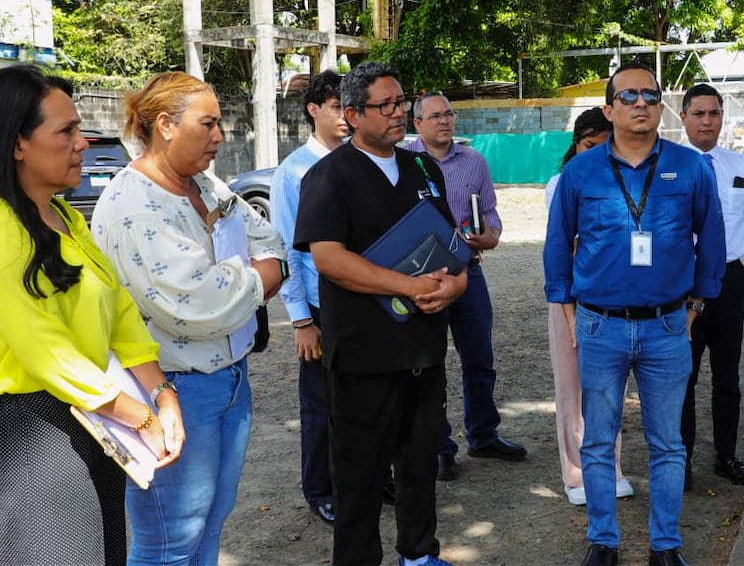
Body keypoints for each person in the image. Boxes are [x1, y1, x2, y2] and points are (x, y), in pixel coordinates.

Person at [0, 64, 184, 565]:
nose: (82, 143)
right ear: (18, 143)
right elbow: (47, 353)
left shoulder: (64, 218)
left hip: (98, 420)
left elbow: (120, 312)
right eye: (66, 131)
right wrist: (142, 417)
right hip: (36, 435)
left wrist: (160, 394)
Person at [92, 71, 286, 565]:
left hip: (228, 377)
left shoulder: (202, 183)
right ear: (165, 125)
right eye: (208, 124)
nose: (220, 135)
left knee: (210, 521)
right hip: (174, 387)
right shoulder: (134, 205)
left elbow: (270, 241)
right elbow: (200, 305)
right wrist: (260, 276)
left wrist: (251, 274)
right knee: (170, 538)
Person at [544, 62, 726, 566]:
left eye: (649, 94)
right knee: (599, 441)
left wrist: (696, 306)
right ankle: (603, 541)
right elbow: (557, 243)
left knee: (667, 444)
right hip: (599, 325)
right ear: (609, 110)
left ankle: (665, 546)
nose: (640, 102)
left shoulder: (690, 168)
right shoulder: (580, 172)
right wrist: (566, 308)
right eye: (628, 96)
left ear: (661, 106)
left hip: (668, 326)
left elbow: (712, 239)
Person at [294, 62, 465, 566]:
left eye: (401, 102)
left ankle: (419, 553)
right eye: (384, 105)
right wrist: (408, 286)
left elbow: (452, 246)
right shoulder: (329, 176)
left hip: (422, 350)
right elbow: (330, 259)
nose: (398, 113)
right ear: (352, 115)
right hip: (363, 356)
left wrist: (454, 286)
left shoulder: (423, 169)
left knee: (419, 464)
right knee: (359, 477)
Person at [405, 91, 527, 482]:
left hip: (469, 272)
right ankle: (439, 447)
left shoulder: (474, 161)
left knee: (479, 356)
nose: (445, 121)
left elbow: (490, 214)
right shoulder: (404, 161)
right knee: (429, 363)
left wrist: (490, 236)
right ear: (417, 124)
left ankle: (483, 435)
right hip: (423, 277)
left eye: (449, 114)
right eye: (435, 116)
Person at [544, 107, 634, 506]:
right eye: (588, 145)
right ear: (576, 145)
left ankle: (610, 469)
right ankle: (576, 474)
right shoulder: (561, 184)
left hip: (616, 297)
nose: (596, 153)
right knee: (572, 386)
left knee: (610, 387)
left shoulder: (629, 181)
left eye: (604, 145)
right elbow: (565, 246)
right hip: (573, 297)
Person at [271, 69, 348, 523]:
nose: (344, 116)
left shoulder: (359, 161)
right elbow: (286, 249)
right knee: (321, 403)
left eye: (348, 107)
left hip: (363, 299)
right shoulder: (294, 171)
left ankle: (366, 478)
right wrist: (301, 320)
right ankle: (321, 488)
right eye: (336, 107)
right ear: (313, 110)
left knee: (364, 397)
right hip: (320, 305)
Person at [677, 84, 744, 488]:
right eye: (698, 114)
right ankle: (681, 459)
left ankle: (726, 455)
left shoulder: (741, 166)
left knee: (727, 374)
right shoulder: (667, 165)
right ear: (683, 118)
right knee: (683, 374)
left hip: (728, 279)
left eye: (714, 114)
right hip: (682, 282)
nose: (707, 121)